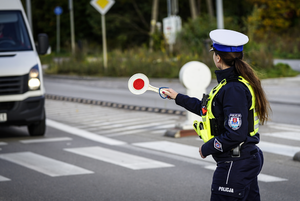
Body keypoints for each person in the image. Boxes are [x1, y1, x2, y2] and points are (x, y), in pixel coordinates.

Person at [163, 29, 271, 201]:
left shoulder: (233, 88)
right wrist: (177, 97)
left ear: (218, 58)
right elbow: (207, 110)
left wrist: (207, 148)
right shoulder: (230, 84)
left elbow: (236, 134)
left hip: (235, 162)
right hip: (243, 159)